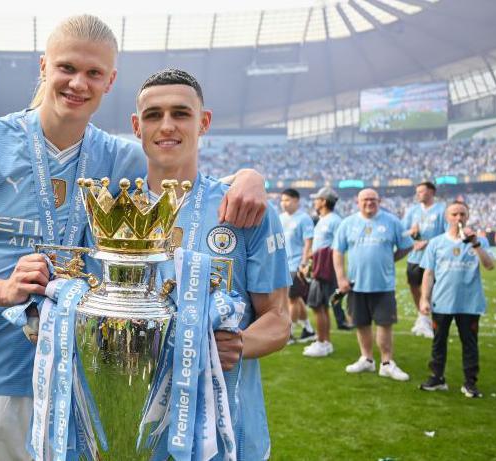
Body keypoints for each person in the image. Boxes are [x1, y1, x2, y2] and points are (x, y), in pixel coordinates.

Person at [0, 14, 268, 460]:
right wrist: (2, 291)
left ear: (109, 80)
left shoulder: (120, 159)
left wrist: (247, 178)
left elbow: (184, 177)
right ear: (43, 66)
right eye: (67, 68)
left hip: (55, 390)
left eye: (93, 73)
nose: (78, 83)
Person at [130, 68, 291, 460]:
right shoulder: (113, 214)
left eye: (180, 113)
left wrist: (240, 343)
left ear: (204, 122)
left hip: (228, 437)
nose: (166, 126)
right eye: (153, 115)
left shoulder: (244, 209)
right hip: (135, 433)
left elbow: (279, 319)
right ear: (137, 126)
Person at [333, 188, 413, 381]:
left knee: (385, 323)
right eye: (365, 199)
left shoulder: (391, 221)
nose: (369, 202)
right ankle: (367, 359)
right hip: (356, 285)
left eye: (373, 199)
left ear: (379, 201)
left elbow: (406, 245)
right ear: (357, 202)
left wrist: (389, 260)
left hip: (383, 284)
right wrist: (341, 278)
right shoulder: (347, 223)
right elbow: (337, 251)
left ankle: (386, 362)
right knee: (361, 323)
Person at [418, 201, 494, 398]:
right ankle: (437, 377)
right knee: (438, 341)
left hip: (469, 302)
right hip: (441, 301)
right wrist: (424, 299)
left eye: (462, 214)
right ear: (447, 217)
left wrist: (475, 244)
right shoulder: (436, 243)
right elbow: (428, 273)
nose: (458, 218)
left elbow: (489, 265)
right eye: (454, 214)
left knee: (469, 343)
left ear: (467, 216)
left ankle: (470, 383)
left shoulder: (480, 241)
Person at [402, 181, 446, 339]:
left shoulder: (442, 210)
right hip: (414, 257)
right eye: (417, 191)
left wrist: (428, 242)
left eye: (421, 191)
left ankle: (428, 321)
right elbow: (402, 231)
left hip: (433, 258)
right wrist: (412, 234)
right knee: (414, 286)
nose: (418, 194)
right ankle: (422, 317)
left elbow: (447, 234)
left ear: (431, 192)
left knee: (431, 290)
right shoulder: (412, 211)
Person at [303, 187, 342, 357]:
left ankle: (322, 342)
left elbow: (338, 246)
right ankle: (324, 341)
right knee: (321, 306)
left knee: (318, 306)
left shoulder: (334, 220)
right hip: (319, 265)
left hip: (325, 268)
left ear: (324, 201)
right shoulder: (323, 219)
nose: (315, 202)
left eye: (317, 199)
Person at [279, 188, 314, 343]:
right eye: (282, 200)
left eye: (287, 200)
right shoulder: (280, 218)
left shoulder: (304, 218)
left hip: (296, 263)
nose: (283, 203)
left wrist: (304, 262)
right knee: (294, 298)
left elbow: (308, 242)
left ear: (296, 201)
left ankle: (289, 333)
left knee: (291, 299)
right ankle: (308, 329)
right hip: (283, 263)